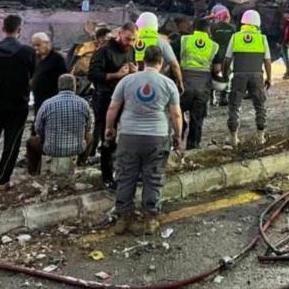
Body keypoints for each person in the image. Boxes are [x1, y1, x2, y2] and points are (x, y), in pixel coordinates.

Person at [108, 46, 183, 235]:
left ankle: (124, 218)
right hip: (156, 137)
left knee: (125, 176)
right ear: (161, 62)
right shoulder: (168, 83)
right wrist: (178, 136)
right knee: (153, 177)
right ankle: (150, 219)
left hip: (128, 136)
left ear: (142, 61)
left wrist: (109, 128)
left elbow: (113, 108)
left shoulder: (127, 81)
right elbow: (176, 114)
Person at [0, 15, 37, 191]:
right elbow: (33, 74)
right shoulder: (28, 52)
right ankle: (2, 180)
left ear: (3, 29)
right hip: (18, 105)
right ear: (20, 30)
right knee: (12, 143)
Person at [85, 22, 138, 188]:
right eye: (127, 39)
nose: (129, 43)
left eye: (133, 40)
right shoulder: (104, 51)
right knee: (108, 136)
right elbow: (92, 74)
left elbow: (131, 70)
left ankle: (123, 170)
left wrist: (134, 72)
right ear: (120, 34)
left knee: (128, 136)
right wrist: (115, 74)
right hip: (105, 99)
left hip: (124, 98)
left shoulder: (131, 50)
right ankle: (107, 177)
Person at [224, 9, 271, 147]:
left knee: (234, 105)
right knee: (259, 105)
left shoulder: (236, 37)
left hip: (239, 75)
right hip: (257, 75)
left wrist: (225, 73)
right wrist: (269, 77)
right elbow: (267, 60)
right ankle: (260, 136)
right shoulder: (262, 38)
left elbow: (227, 59)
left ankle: (233, 138)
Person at [35, 74, 93, 176]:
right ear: (74, 86)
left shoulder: (47, 103)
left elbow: (38, 128)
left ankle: (35, 171)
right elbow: (88, 127)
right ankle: (80, 163)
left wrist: (44, 138)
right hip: (77, 148)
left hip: (51, 149)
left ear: (58, 86)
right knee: (90, 137)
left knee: (31, 142)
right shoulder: (84, 103)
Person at [179, 19, 218, 149]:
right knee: (197, 118)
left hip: (184, 85)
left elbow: (172, 60)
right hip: (202, 86)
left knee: (178, 113)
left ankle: (176, 143)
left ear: (194, 28)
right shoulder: (213, 46)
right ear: (208, 30)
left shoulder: (183, 40)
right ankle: (193, 146)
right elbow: (217, 68)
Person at [133, 12, 184, 93]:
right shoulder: (161, 42)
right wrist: (180, 83)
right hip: (155, 82)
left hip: (133, 80)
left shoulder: (132, 38)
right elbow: (174, 65)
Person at [30, 33, 68, 114]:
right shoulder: (36, 58)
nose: (35, 48)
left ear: (47, 43)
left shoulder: (57, 58)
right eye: (34, 45)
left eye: (38, 45)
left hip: (52, 101)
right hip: (38, 101)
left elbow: (64, 78)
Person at [209, 5, 235, 106]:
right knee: (226, 76)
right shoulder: (232, 28)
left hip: (215, 56)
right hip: (227, 57)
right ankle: (223, 98)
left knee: (213, 75)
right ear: (228, 18)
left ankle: (212, 97)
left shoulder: (213, 27)